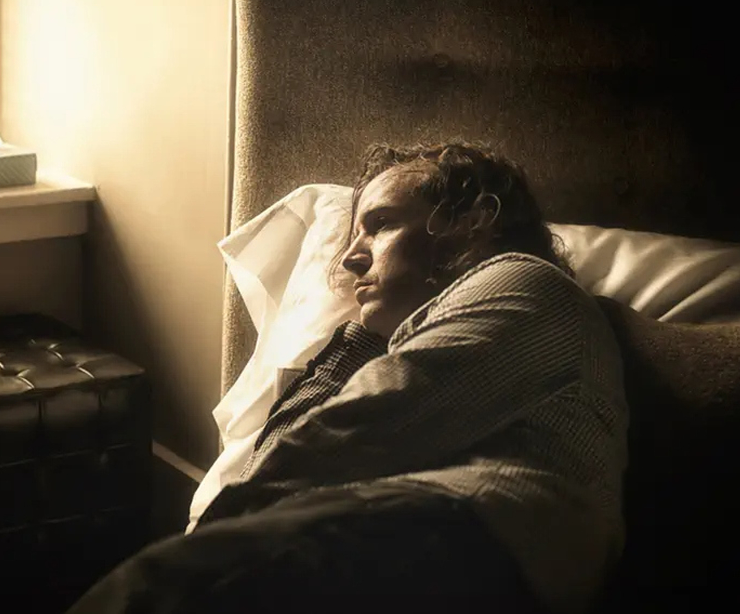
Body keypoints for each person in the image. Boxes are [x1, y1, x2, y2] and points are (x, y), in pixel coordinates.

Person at [66, 143, 629, 614]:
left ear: (472, 222)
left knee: (154, 590)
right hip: (432, 540)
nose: (352, 259)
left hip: (478, 529)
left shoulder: (525, 282)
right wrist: (363, 331)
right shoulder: (419, 333)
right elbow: (297, 445)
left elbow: (351, 432)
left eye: (380, 225)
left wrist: (209, 539)